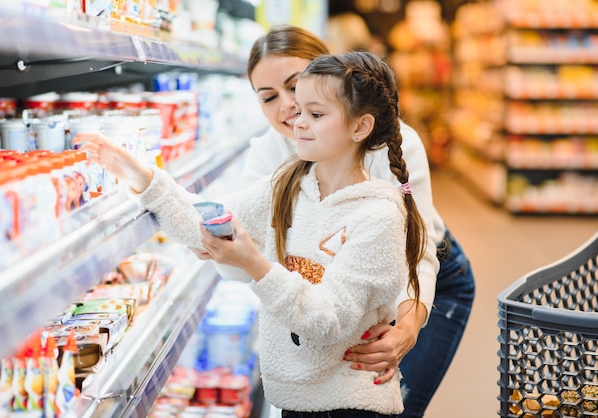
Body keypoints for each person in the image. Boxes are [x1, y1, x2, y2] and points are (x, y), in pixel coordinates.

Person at [75, 50, 427, 417]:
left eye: (316, 114)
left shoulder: (378, 215)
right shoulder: (290, 184)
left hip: (351, 403)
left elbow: (329, 323)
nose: (299, 122)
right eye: (301, 111)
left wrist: (256, 265)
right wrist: (142, 177)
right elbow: (208, 228)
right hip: (295, 399)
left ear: (360, 127)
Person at [243, 25, 475, 417]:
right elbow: (253, 252)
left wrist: (407, 328)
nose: (287, 105)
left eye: (295, 85)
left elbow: (416, 253)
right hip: (338, 282)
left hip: (422, 284)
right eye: (268, 97)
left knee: (382, 404)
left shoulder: (391, 142)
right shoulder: (268, 156)